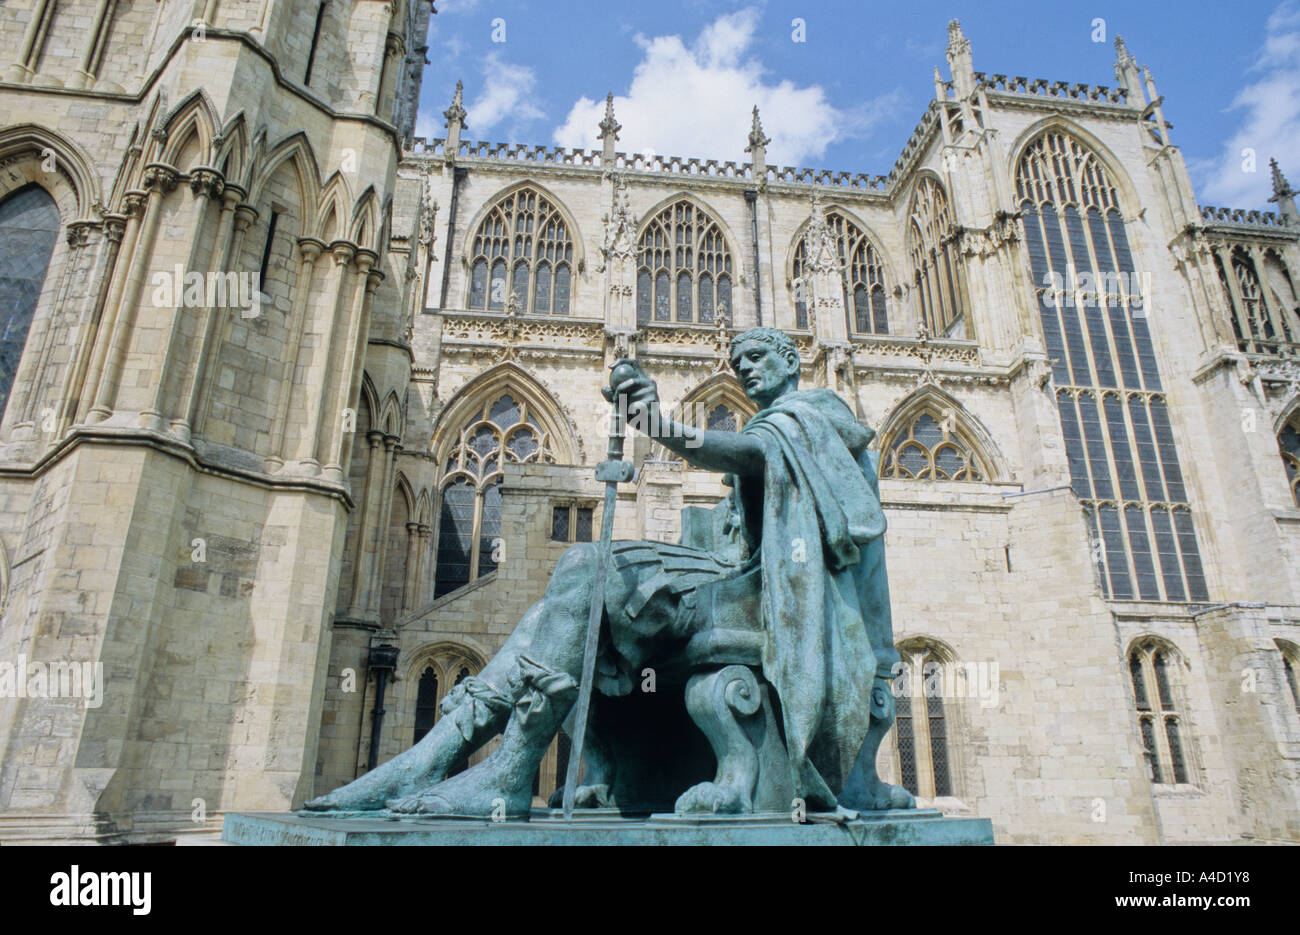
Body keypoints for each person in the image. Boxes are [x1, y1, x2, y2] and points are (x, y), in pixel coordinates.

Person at [304, 327, 913, 817]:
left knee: (583, 563)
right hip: (729, 577)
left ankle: (509, 775)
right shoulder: (774, 424)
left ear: (790, 360)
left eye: (757, 357)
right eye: (737, 360)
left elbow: (747, 457)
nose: (745, 369)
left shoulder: (814, 413)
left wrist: (656, 425)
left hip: (763, 592)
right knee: (555, 610)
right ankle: (431, 759)